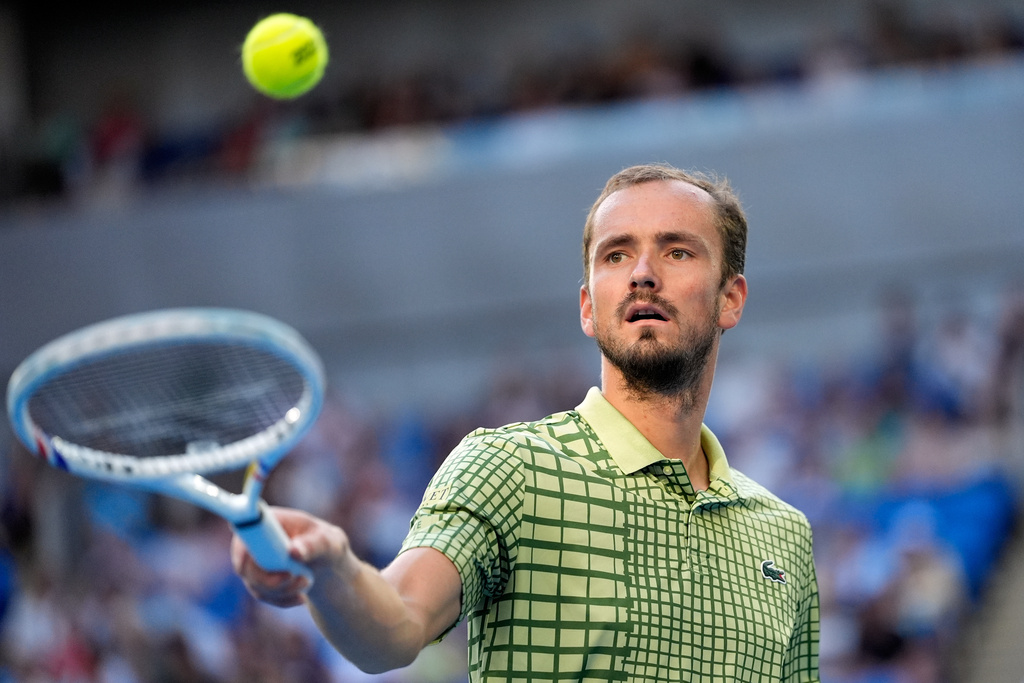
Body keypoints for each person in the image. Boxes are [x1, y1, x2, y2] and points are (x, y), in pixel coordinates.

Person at [232, 163, 821, 682]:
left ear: (731, 299)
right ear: (589, 306)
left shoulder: (784, 535)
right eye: (616, 254)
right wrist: (334, 569)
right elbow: (396, 626)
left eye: (677, 251)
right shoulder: (507, 468)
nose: (642, 273)